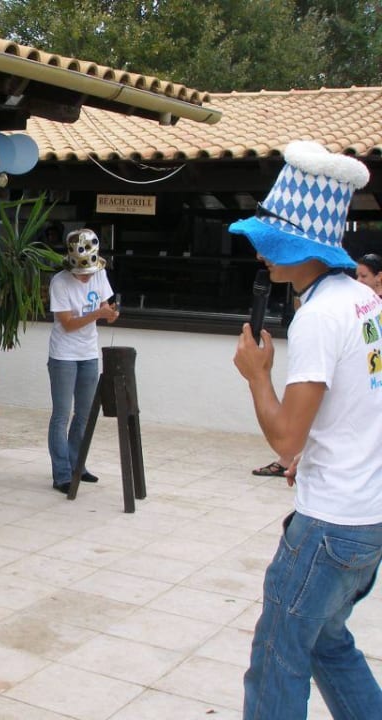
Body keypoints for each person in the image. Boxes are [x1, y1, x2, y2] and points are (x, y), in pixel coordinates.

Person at [231, 140, 382, 719]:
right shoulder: (364, 301)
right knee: (327, 644)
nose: (262, 254)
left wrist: (257, 376)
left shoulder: (319, 315)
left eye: (273, 241)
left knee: (277, 658)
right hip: (367, 518)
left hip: (329, 523)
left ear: (303, 246)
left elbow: (286, 439)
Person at [47, 228, 119, 493]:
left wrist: (110, 313)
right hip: (63, 355)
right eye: (82, 273)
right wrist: (98, 314)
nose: (87, 277)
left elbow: (105, 306)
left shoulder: (99, 274)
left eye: (89, 272)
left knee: (85, 413)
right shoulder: (59, 282)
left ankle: (78, 465)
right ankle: (62, 474)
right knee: (61, 414)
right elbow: (67, 323)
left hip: (89, 352)